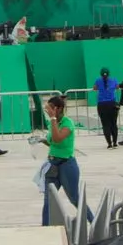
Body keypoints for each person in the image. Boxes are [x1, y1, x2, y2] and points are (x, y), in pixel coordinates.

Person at [38, 95, 81, 224]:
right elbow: (53, 142)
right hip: (52, 164)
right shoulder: (52, 123)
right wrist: (41, 140)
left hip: (66, 165)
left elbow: (57, 138)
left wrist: (53, 119)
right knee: (48, 201)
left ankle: (94, 221)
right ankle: (45, 230)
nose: (47, 111)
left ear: (58, 109)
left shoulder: (67, 123)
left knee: (75, 199)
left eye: (50, 109)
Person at [94, 68, 120, 149]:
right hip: (112, 104)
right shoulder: (114, 80)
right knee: (113, 124)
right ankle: (115, 142)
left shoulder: (98, 81)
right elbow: (117, 87)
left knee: (105, 124)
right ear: (109, 74)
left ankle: (109, 143)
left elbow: (95, 88)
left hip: (102, 105)